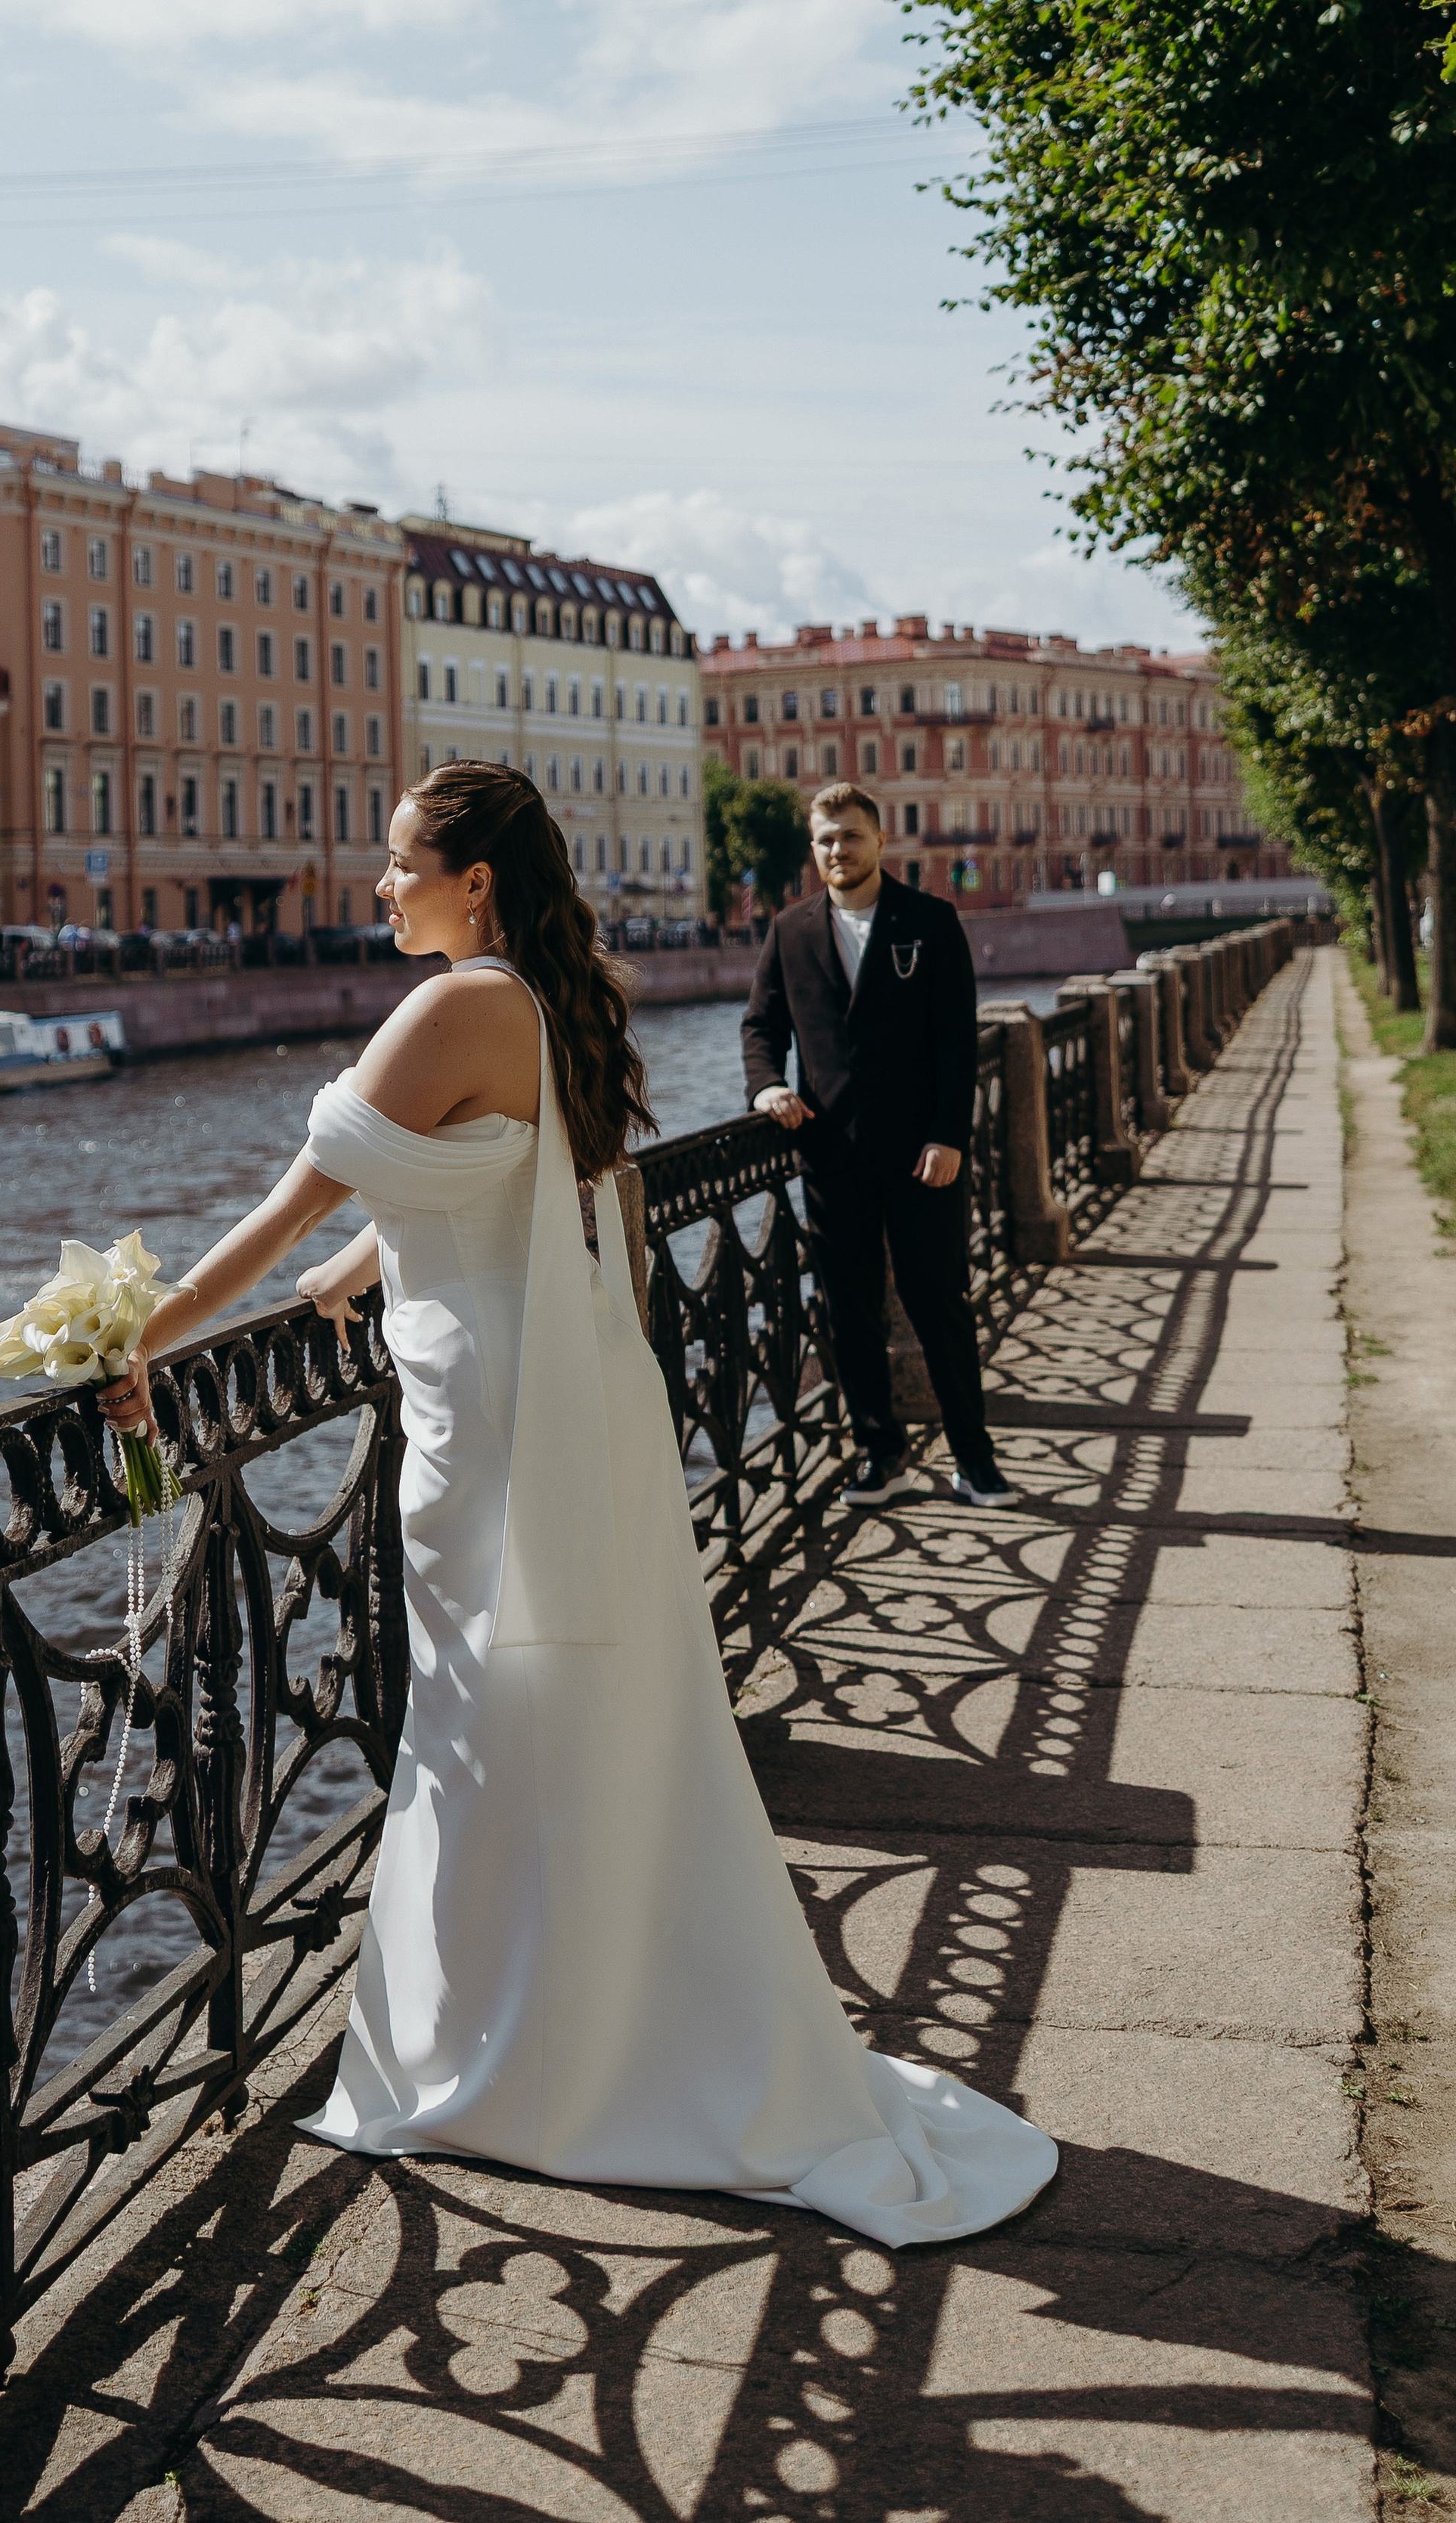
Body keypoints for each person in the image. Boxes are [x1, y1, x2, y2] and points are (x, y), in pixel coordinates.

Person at [99, 762, 1054, 2244]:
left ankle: (511, 2057)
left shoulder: (449, 1008)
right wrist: (372, 1261)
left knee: (487, 1728)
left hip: (490, 1425)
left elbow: (292, 1200)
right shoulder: (545, 1003)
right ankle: (579, 2034)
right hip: (571, 1398)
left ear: (471, 879)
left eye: (399, 863)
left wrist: (132, 1342)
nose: (379, 888)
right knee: (562, 1720)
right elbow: (537, 1179)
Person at [741, 782, 1018, 1511]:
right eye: (826, 839)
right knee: (850, 1313)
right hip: (831, 1154)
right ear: (814, 848)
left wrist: (949, 1135)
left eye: (851, 836)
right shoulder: (790, 930)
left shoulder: (930, 920)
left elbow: (959, 1041)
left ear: (880, 840)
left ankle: (976, 1462)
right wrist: (767, 1086)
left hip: (924, 1158)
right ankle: (880, 1455)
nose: (839, 850)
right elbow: (760, 1026)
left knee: (940, 1305)